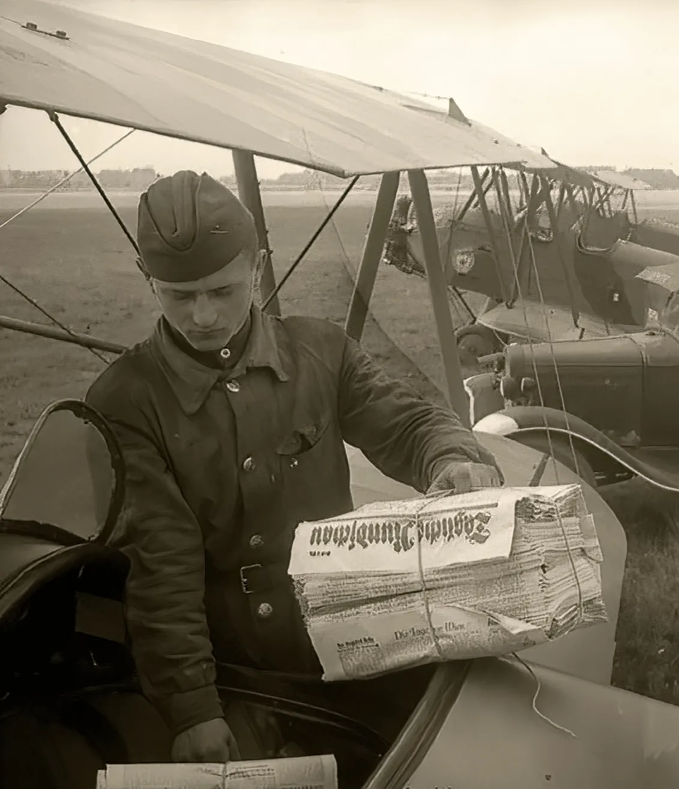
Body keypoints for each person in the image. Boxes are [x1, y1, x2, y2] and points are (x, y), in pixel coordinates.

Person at [85, 170, 504, 763]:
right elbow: (161, 562)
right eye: (179, 295)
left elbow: (406, 422)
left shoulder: (321, 353)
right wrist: (192, 708)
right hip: (230, 676)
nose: (202, 316)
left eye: (223, 291)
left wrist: (454, 457)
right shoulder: (125, 402)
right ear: (147, 280)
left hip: (352, 643)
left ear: (257, 269)